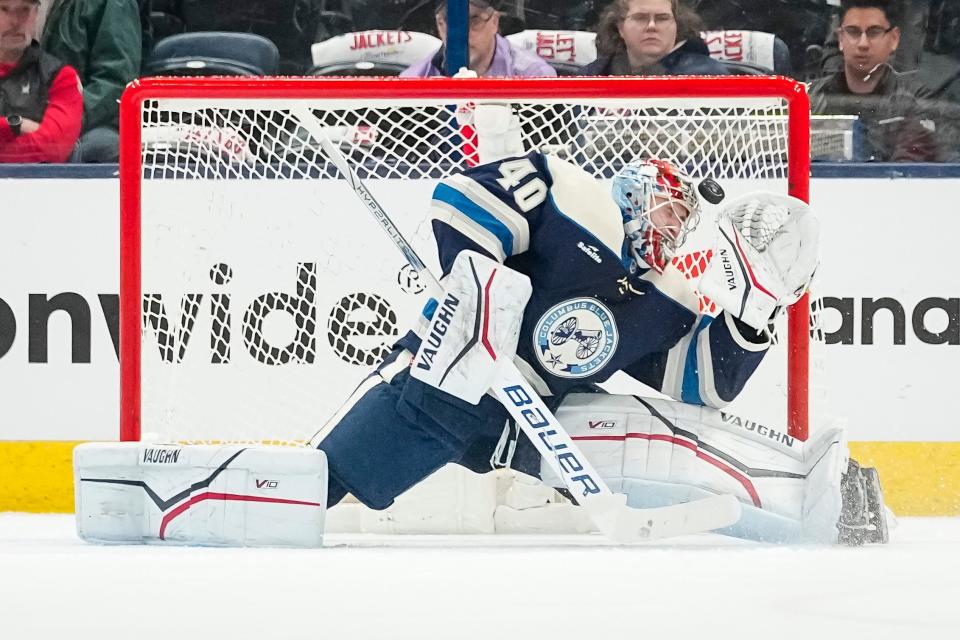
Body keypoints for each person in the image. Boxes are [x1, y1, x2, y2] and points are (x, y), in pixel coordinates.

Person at [309, 150, 890, 546]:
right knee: (318, 484)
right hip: (434, 388)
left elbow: (705, 388)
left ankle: (816, 496)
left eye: (687, 221)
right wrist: (480, 287)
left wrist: (758, 308)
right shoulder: (573, 203)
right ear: (640, 189)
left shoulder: (655, 300)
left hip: (530, 426)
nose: (678, 225)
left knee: (658, 436)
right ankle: (231, 492)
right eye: (674, 207)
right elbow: (462, 201)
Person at [809, 0, 938, 161]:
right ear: (840, 38)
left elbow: (907, 173)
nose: (863, 44)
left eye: (874, 32)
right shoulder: (808, 99)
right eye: (853, 32)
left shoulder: (916, 101)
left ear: (894, 39)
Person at [40, 0, 141, 162]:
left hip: (88, 123)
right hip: (35, 115)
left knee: (100, 146)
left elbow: (116, 82)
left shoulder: (113, 4)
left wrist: (63, 118)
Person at [0, 0, 81, 162]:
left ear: (36, 14)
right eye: (4, 9)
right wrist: (16, 125)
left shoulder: (61, 76)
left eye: (25, 10)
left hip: (40, 184)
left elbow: (54, 148)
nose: (15, 21)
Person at [400, 0, 556, 77]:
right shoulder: (413, 80)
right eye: (453, 20)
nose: (464, 32)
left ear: (494, 22)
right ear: (440, 25)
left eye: (475, 20)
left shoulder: (534, 77)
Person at [583, 0, 729, 76]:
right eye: (640, 18)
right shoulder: (591, 74)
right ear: (620, 28)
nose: (651, 26)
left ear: (677, 26)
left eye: (662, 18)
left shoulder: (707, 75)